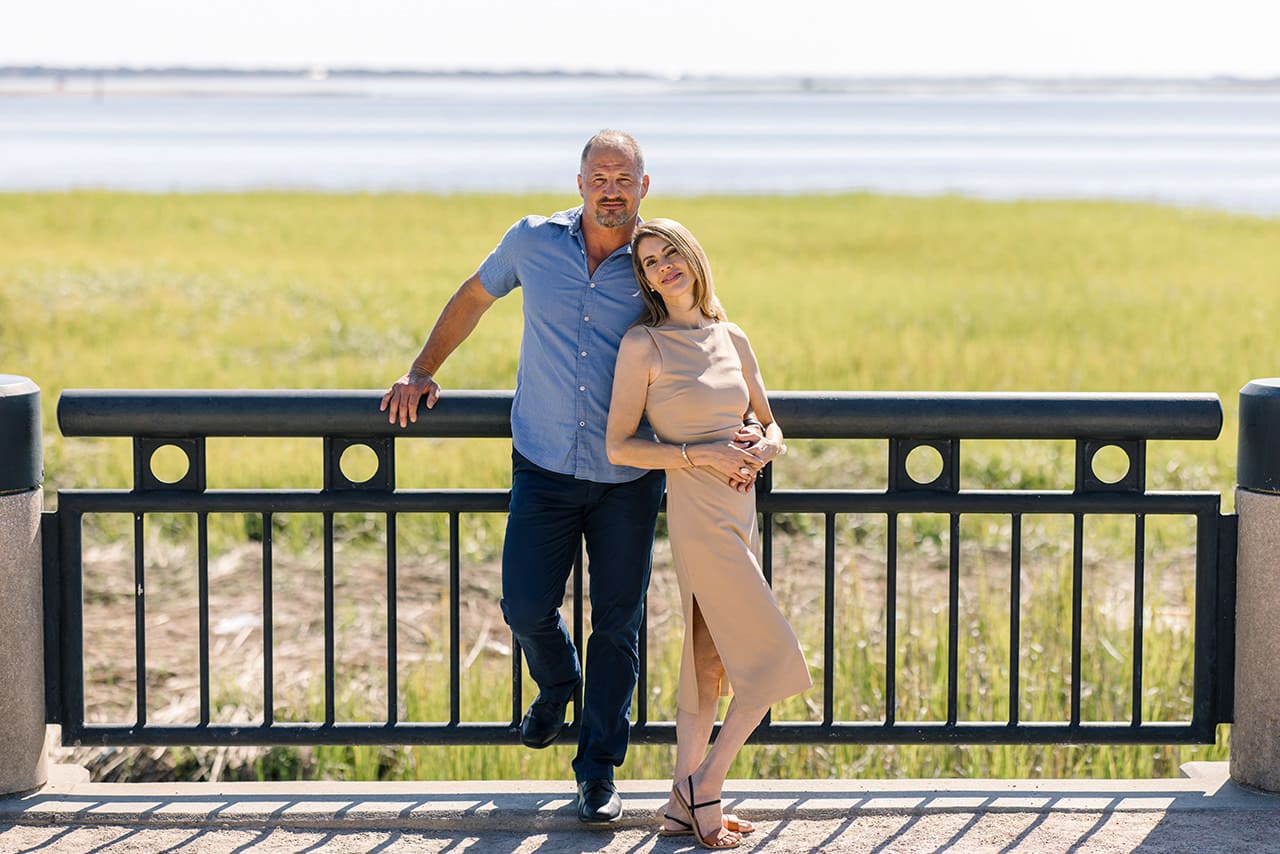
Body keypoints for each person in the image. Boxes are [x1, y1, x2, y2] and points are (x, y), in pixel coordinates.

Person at [380, 131, 764, 826]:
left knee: (618, 626)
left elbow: (700, 332)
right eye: (599, 176)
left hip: (629, 475)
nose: (610, 188)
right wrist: (422, 370)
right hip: (545, 465)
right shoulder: (532, 241)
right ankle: (559, 684)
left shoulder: (654, 261)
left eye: (624, 177)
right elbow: (472, 297)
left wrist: (740, 427)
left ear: (644, 185)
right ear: (580, 181)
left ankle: (597, 772)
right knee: (524, 605)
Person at [606, 218, 812, 849]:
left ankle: (677, 803)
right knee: (775, 660)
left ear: (693, 259)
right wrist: (703, 456)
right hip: (698, 518)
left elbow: (771, 425)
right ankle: (708, 786)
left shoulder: (733, 336)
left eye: (671, 253)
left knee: (707, 662)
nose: (663, 266)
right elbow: (620, 446)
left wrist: (760, 447)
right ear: (644, 279)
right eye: (648, 262)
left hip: (739, 514)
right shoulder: (644, 344)